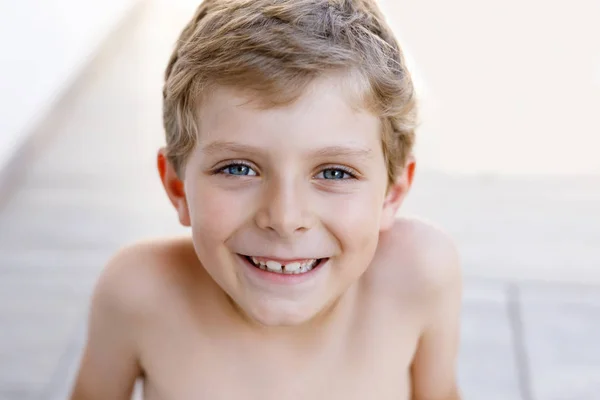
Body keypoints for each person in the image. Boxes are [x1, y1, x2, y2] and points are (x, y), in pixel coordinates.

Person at [70, 0, 462, 399]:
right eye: (238, 168)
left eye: (334, 172)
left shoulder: (419, 276)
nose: (285, 217)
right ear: (177, 187)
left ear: (392, 193)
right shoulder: (139, 294)